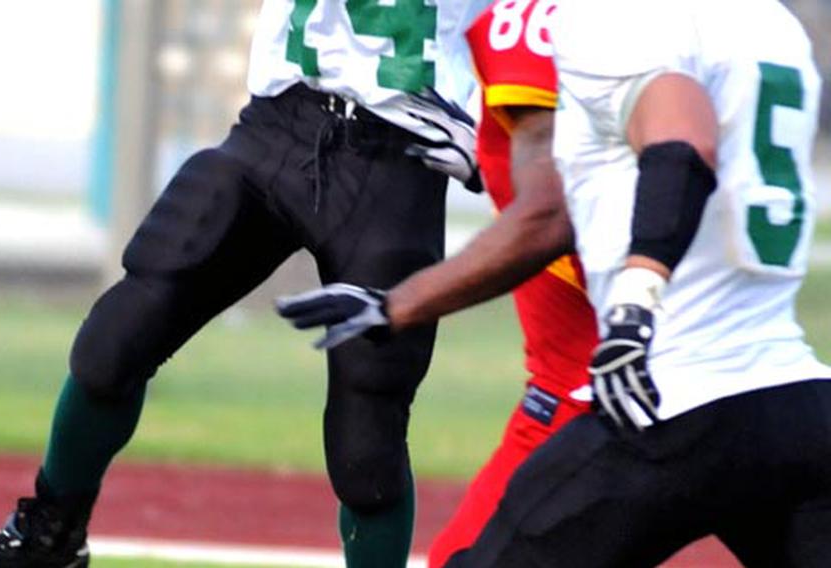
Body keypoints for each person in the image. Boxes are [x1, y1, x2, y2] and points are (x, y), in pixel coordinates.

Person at [0, 2, 489, 567]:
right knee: (114, 341)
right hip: (277, 129)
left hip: (399, 162)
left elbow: (549, 38)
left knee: (366, 447)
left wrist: (496, 137)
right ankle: (46, 541)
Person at [280, 0, 831, 565]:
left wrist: (634, 305)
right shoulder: (770, 21)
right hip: (798, 402)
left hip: (673, 397)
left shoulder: (606, 17)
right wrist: (400, 304)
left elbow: (678, 150)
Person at [425, 1, 599, 566]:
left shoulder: (528, 20)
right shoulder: (753, 28)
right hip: (752, 371)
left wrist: (399, 305)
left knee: (465, 556)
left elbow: (545, 218)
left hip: (599, 383)